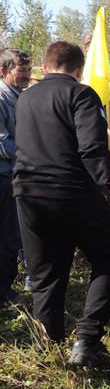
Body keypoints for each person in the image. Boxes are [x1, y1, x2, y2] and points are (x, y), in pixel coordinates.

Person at [13, 41, 110, 367]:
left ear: (45, 67)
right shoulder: (82, 95)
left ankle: (49, 349)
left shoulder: (25, 97)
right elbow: (91, 149)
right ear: (79, 71)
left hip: (28, 195)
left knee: (46, 274)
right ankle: (87, 340)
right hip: (71, 193)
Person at [0, 49, 32, 304]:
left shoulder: (22, 96)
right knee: (8, 234)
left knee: (16, 233)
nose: (27, 76)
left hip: (19, 174)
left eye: (29, 71)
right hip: (4, 178)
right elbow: (2, 145)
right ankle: (3, 291)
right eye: (21, 71)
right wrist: (35, 152)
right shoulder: (1, 99)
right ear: (3, 71)